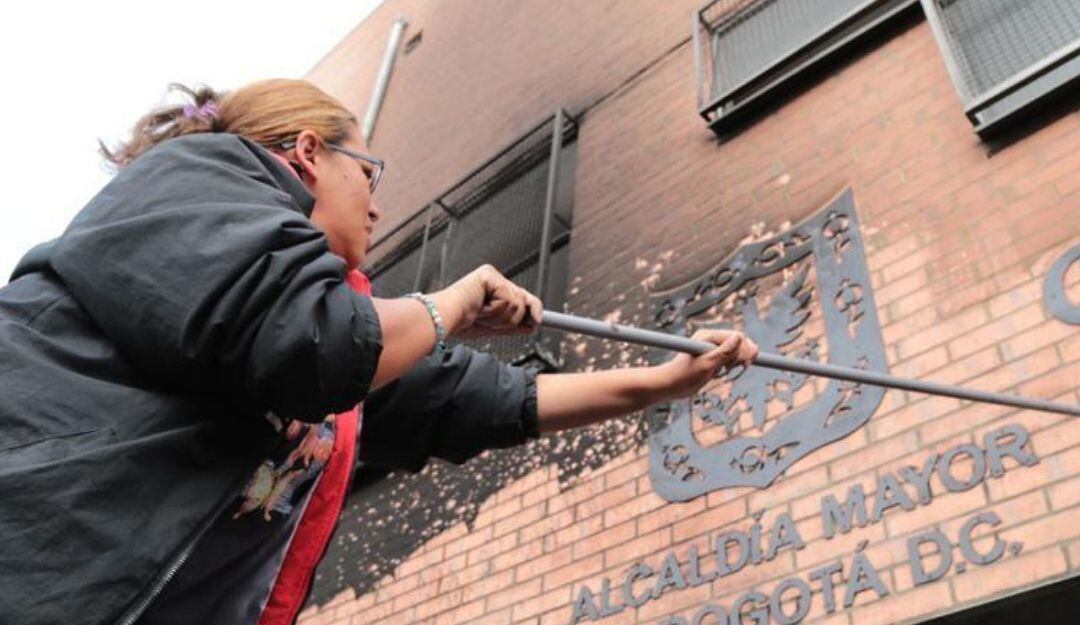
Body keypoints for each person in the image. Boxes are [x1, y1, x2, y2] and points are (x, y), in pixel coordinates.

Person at [0, 79, 758, 625]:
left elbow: (483, 401)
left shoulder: (345, 321)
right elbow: (312, 341)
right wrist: (450, 304)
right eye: (369, 171)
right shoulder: (198, 180)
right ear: (305, 153)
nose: (377, 200)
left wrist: (668, 381)